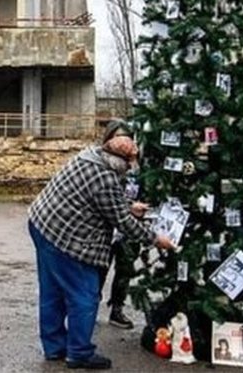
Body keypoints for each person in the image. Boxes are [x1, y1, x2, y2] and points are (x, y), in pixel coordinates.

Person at [29, 134, 172, 369]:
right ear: (118, 161)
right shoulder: (105, 177)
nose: (130, 168)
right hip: (64, 237)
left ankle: (54, 348)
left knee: (52, 292)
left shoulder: (89, 156)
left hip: (42, 223)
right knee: (85, 294)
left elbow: (97, 197)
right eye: (129, 163)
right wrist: (156, 239)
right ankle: (78, 353)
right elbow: (123, 223)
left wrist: (128, 206)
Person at [98, 119, 143, 330]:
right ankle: (88, 307)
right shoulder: (103, 160)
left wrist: (134, 160)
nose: (123, 142)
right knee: (99, 267)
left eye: (127, 137)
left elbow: (139, 184)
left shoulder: (135, 163)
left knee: (124, 268)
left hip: (129, 223)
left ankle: (117, 309)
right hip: (106, 223)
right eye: (118, 137)